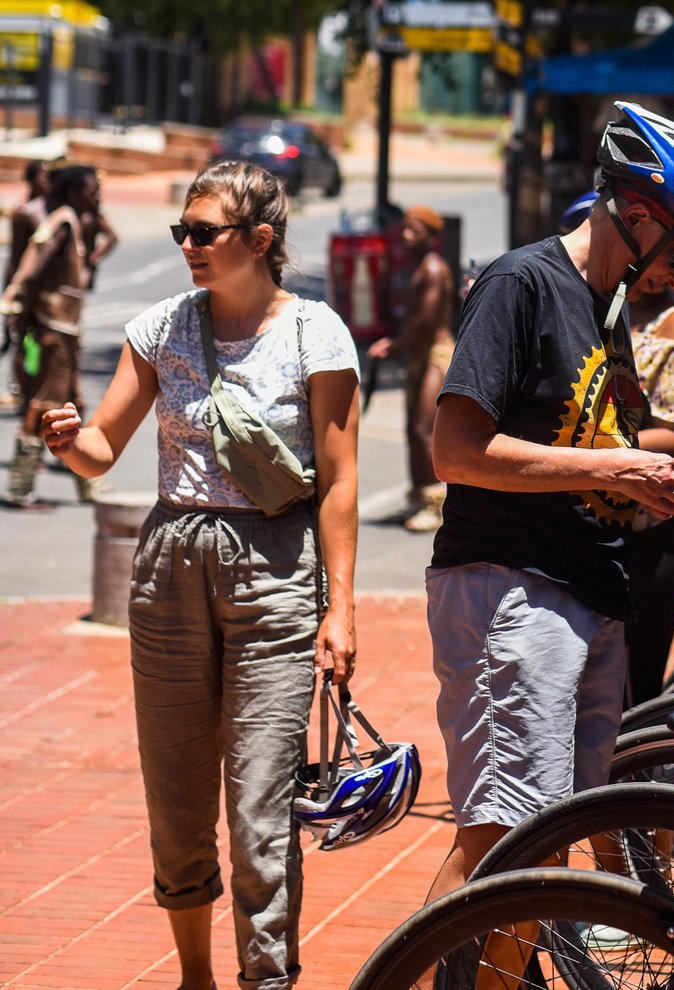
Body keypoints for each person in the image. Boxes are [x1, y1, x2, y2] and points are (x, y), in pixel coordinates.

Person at [419, 101, 674, 943]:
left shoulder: (608, 311)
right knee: (504, 848)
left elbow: (589, 447)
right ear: (636, 214)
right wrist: (617, 467)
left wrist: (650, 483)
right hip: (511, 589)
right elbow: (456, 452)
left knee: (542, 850)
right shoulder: (522, 283)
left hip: (584, 592)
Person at [37, 160, 360, 990]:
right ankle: (195, 977)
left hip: (276, 571)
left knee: (259, 804)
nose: (188, 244)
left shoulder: (315, 333)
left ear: (260, 240)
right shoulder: (161, 329)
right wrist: (68, 440)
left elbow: (340, 477)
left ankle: (267, 979)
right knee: (178, 800)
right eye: (182, 231)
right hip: (169, 568)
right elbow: (105, 448)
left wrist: (343, 609)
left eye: (203, 232)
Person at [559, 190, 674, 706]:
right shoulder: (602, 317)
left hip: (668, 533)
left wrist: (582, 454)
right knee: (612, 683)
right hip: (621, 527)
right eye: (672, 261)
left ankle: (647, 779)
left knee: (637, 682)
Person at [2, 165, 101, 507]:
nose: (97, 196)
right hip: (54, 331)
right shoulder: (61, 223)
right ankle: (19, 489)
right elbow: (29, 267)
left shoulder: (69, 220)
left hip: (64, 330)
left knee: (75, 404)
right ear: (73, 192)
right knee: (42, 406)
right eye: (91, 189)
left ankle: (89, 486)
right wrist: (14, 304)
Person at [367, 206, 454, 532]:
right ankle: (418, 496)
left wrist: (395, 346)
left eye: (415, 230)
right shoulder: (417, 268)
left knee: (422, 429)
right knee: (412, 431)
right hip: (417, 354)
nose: (406, 236)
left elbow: (426, 324)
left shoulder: (432, 268)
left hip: (435, 354)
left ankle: (435, 504)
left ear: (432, 237)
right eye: (405, 229)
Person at [1, 159, 52, 411]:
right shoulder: (24, 212)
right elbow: (15, 256)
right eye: (43, 175)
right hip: (25, 287)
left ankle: (35, 389)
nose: (47, 180)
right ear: (31, 179)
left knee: (45, 342)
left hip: (48, 290)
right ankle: (22, 390)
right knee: (21, 339)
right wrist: (10, 289)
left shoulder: (54, 210)